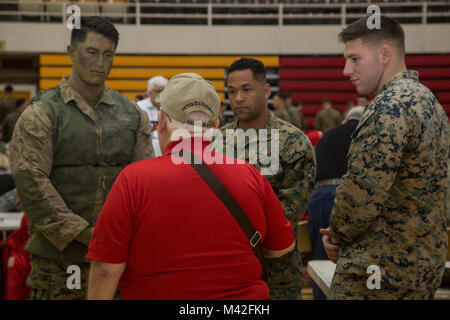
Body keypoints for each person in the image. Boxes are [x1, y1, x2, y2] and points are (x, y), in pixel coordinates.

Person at [86, 73, 296, 300]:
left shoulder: (133, 179)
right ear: (215, 126)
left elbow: (106, 270)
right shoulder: (251, 175)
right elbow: (280, 248)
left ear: (162, 121)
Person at [10, 16, 154, 300]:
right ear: (71, 52)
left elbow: (143, 181)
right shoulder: (42, 113)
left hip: (119, 260)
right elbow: (31, 182)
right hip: (60, 261)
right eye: (91, 52)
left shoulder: (132, 114)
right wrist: (85, 233)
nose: (100, 62)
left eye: (108, 54)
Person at [321, 15, 449, 300]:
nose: (346, 70)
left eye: (354, 59)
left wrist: (336, 235)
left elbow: (362, 193)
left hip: (378, 271)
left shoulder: (388, 107)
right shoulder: (431, 103)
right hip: (420, 268)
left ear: (385, 54)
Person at [215, 58, 316, 300]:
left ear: (266, 90)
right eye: (232, 91)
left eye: (246, 89)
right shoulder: (216, 141)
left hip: (275, 276)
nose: (238, 97)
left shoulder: (293, 142)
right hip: (225, 273)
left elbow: (286, 215)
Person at [307, 106, 364, 300]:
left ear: (345, 119)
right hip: (353, 196)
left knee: (319, 258)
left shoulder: (328, 135)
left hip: (322, 193)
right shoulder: (366, 134)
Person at [137, 75, 168, 157]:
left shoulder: (172, 108)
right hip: (144, 156)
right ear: (149, 92)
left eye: (164, 91)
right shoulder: (139, 107)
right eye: (158, 91)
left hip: (166, 156)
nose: (161, 94)